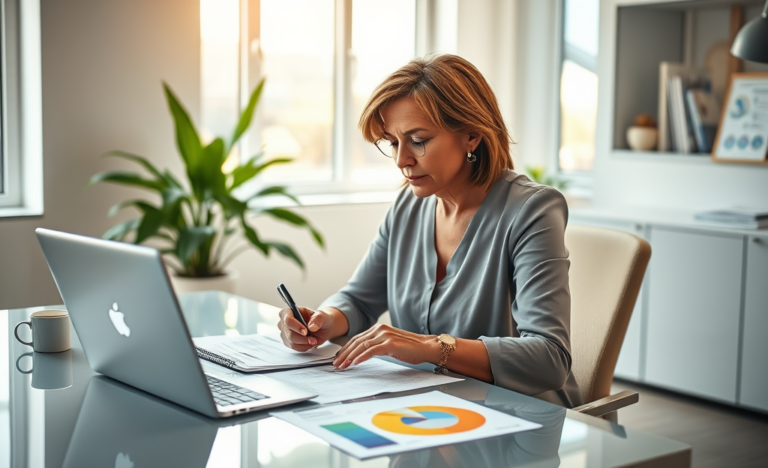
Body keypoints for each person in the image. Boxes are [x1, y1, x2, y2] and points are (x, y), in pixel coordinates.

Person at [277, 54, 581, 407]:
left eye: (418, 140)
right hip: (430, 410)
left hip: (516, 419)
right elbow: (359, 300)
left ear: (472, 136)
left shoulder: (531, 210)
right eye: (393, 142)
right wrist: (326, 320)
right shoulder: (408, 205)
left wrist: (429, 346)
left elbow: (549, 358)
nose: (401, 159)